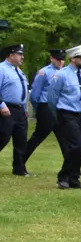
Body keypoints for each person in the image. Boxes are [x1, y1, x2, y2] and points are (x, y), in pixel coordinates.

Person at [45, 45, 81, 189]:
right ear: (73, 59)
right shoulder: (61, 75)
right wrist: (58, 115)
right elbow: (52, 98)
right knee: (76, 144)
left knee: (80, 146)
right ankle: (63, 176)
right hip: (68, 113)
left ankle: (74, 178)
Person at [22, 49, 66, 175]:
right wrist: (40, 109)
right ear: (52, 58)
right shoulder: (44, 72)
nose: (61, 62)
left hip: (60, 108)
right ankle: (21, 161)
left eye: (62, 59)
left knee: (65, 138)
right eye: (58, 59)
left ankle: (72, 166)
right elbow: (35, 94)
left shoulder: (64, 72)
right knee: (39, 136)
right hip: (46, 107)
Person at [0, 43, 30, 176]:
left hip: (20, 110)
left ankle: (19, 168)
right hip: (7, 108)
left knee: (21, 140)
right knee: (3, 137)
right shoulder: (2, 69)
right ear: (11, 55)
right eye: (20, 54)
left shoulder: (19, 71)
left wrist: (25, 108)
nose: (22, 57)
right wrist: (1, 105)